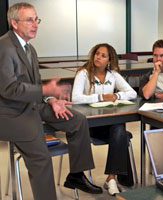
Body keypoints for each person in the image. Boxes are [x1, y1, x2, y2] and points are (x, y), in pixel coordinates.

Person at [0, 3, 102, 200]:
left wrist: (51, 99)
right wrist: (44, 90)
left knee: (78, 120)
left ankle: (76, 176)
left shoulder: (30, 49)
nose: (35, 24)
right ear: (14, 23)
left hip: (33, 105)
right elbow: (8, 89)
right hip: (12, 113)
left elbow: (37, 85)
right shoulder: (4, 47)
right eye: (29, 20)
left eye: (36, 19)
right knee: (42, 159)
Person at [72, 43, 137, 196]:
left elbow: (132, 93)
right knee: (119, 131)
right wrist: (100, 97)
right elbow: (75, 98)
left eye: (103, 55)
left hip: (109, 124)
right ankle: (112, 179)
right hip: (90, 126)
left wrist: (117, 96)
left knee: (119, 128)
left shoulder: (113, 75)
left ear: (109, 60)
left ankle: (112, 177)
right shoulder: (83, 73)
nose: (98, 57)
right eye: (97, 54)